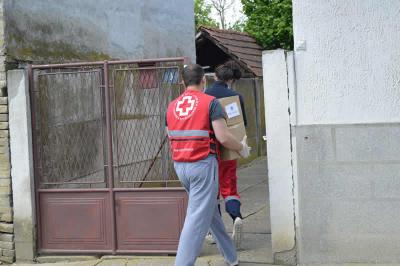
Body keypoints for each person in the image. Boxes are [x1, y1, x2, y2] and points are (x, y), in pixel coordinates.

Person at [166, 64, 250, 266]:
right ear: (203, 80)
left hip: (180, 166)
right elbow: (223, 137)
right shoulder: (210, 103)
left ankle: (231, 258)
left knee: (210, 212)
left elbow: (170, 136)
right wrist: (242, 147)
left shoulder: (172, 105)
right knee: (195, 220)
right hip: (202, 165)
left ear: (183, 82)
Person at [204, 61, 247, 248]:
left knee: (212, 192)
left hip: (208, 151)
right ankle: (236, 217)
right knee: (229, 187)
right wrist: (240, 146)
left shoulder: (204, 97)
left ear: (215, 76)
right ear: (231, 80)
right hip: (229, 148)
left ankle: (215, 232)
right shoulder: (236, 96)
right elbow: (242, 126)